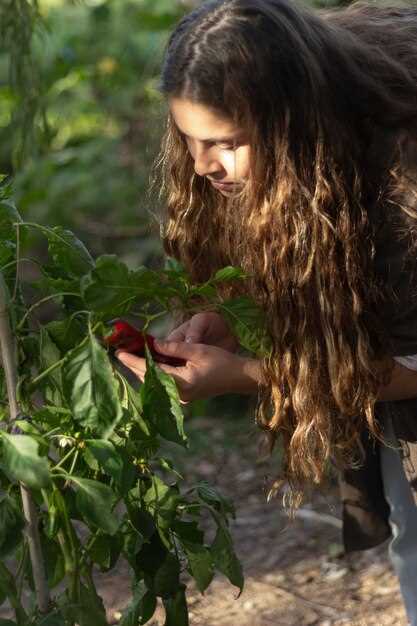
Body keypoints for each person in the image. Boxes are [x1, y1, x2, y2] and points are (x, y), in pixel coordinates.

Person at [115, 0, 417, 622]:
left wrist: (248, 374)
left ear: (295, 123)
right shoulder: (316, 139)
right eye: (190, 140)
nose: (202, 167)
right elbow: (301, 231)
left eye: (226, 143)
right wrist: (231, 316)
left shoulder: (404, 185)